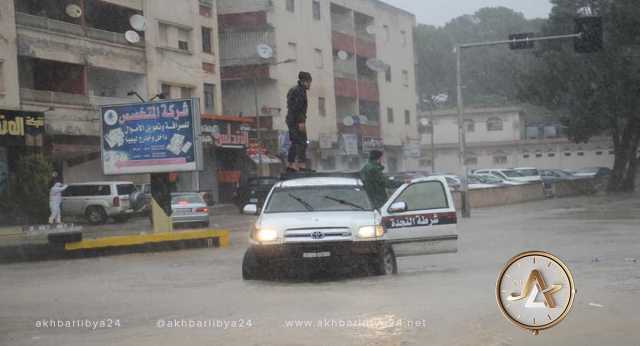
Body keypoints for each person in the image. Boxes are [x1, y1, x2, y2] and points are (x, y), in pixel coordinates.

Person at [286, 71, 312, 172]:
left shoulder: (294, 90)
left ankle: (291, 164)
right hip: (296, 121)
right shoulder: (300, 91)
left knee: (295, 142)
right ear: (304, 81)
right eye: (309, 82)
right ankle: (301, 165)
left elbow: (291, 106)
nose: (310, 84)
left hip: (291, 120)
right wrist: (301, 122)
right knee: (302, 142)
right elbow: (298, 108)